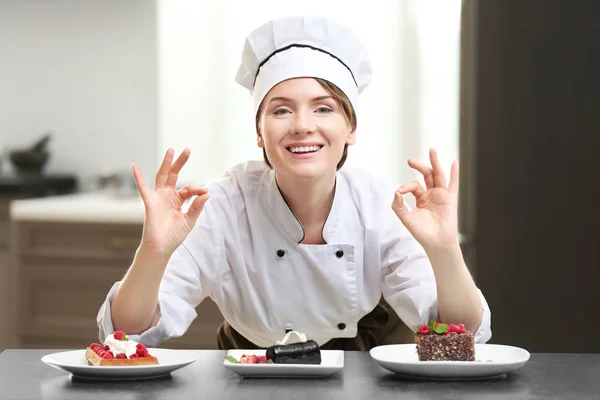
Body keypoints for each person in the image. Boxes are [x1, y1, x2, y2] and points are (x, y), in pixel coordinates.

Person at [97, 16, 491, 350]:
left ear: (350, 128)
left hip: (365, 366)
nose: (303, 125)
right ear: (259, 131)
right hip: (250, 367)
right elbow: (127, 334)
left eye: (323, 108)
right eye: (281, 109)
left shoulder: (378, 205)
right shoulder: (222, 205)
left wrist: (444, 250)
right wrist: (153, 251)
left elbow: (461, 336)